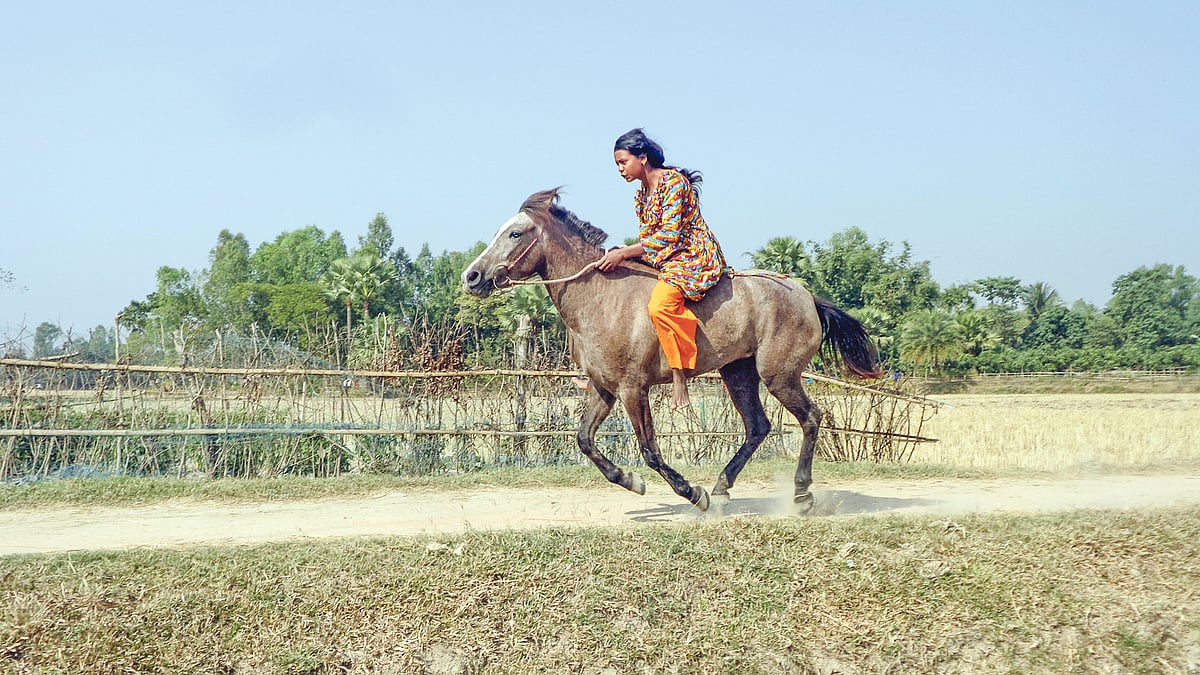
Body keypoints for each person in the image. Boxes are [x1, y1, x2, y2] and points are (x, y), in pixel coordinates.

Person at [596, 128, 731, 410]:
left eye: (623, 162)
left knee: (660, 305)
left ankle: (679, 375)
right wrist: (621, 254)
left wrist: (626, 252)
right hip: (664, 257)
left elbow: (669, 235)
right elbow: (648, 238)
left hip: (692, 255)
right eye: (617, 165)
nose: (620, 169)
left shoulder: (673, 183)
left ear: (642, 158)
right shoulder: (641, 194)